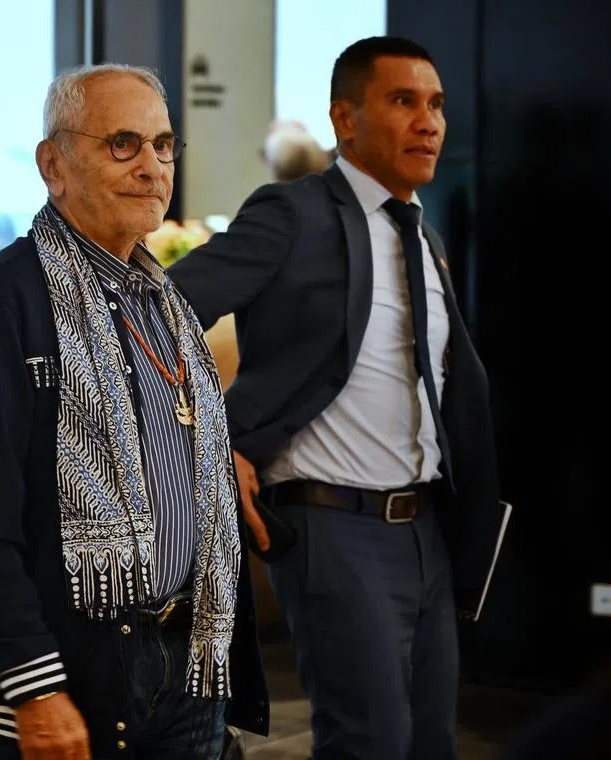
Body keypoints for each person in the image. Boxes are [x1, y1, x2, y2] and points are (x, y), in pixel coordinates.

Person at [168, 36, 507, 759]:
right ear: (345, 119)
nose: (428, 122)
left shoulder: (424, 236)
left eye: (437, 104)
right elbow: (157, 316)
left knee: (430, 744)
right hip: (333, 526)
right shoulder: (293, 213)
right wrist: (210, 443)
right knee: (369, 743)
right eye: (403, 101)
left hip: (425, 527)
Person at [0, 63, 267, 760]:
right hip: (74, 673)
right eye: (123, 144)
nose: (152, 166)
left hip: (191, 662)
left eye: (163, 145)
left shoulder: (163, 301)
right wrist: (34, 688)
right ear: (53, 165)